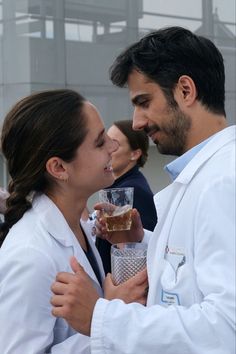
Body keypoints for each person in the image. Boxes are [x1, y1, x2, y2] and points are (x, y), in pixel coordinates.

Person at [50, 26, 236, 354]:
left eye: (144, 102)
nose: (136, 122)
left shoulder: (223, 181)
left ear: (185, 91)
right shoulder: (207, 175)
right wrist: (143, 240)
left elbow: (226, 329)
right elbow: (195, 268)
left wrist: (101, 316)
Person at [0, 89, 148, 353]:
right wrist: (109, 318)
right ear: (58, 168)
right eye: (100, 142)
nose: (113, 147)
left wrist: (132, 243)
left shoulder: (80, 227)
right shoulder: (29, 256)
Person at [96, 119, 157, 274]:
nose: (107, 149)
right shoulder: (119, 186)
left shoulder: (132, 192)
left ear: (135, 154)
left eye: (115, 144)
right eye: (105, 142)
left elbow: (137, 253)